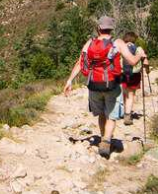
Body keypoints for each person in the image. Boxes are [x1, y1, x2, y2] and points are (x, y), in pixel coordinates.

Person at [63, 16, 148, 159]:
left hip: (94, 85)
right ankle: (106, 141)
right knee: (111, 115)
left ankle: (103, 138)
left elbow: (80, 62)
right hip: (112, 85)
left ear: (98, 28)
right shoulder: (118, 43)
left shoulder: (90, 42)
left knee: (102, 113)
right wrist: (139, 55)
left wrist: (69, 80)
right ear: (111, 29)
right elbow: (133, 61)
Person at [120, 31, 147, 125]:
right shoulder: (138, 48)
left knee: (125, 93)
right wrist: (147, 69)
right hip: (134, 74)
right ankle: (127, 116)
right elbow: (146, 62)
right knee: (131, 95)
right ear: (134, 39)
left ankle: (124, 112)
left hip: (122, 73)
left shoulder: (121, 47)